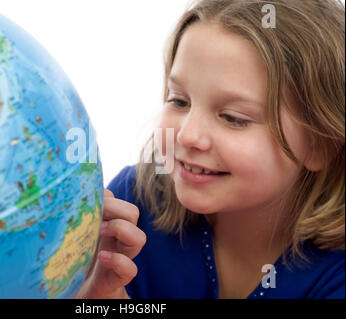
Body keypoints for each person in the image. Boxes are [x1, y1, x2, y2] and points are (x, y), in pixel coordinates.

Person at [76, 0, 345, 299]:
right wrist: (95, 296)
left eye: (233, 118)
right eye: (179, 100)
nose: (188, 136)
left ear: (321, 144)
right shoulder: (133, 202)